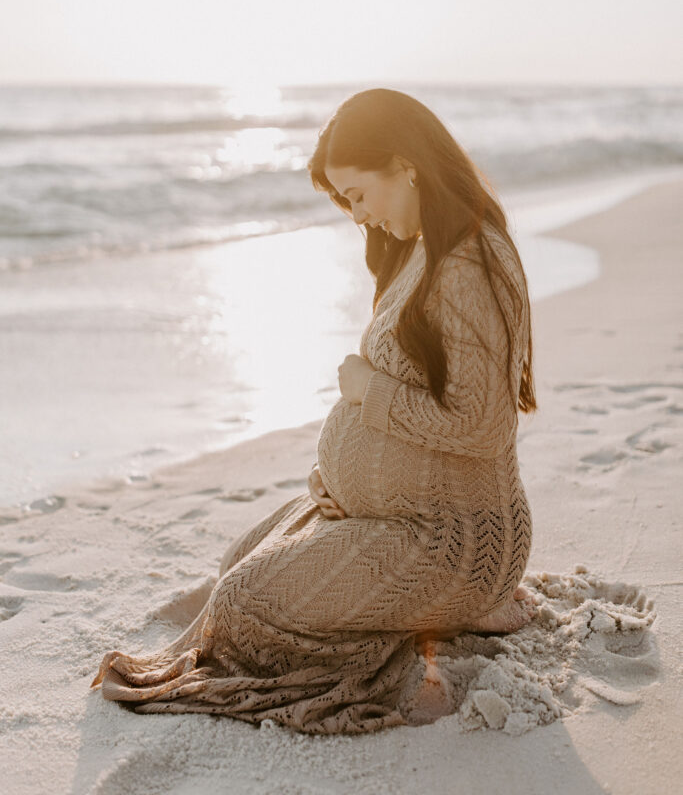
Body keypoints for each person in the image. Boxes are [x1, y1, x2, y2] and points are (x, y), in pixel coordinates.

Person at [90, 88, 536, 734]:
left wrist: (364, 391)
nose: (356, 215)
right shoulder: (423, 249)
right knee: (241, 561)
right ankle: (441, 608)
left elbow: (480, 425)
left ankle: (457, 605)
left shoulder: (468, 262)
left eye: (357, 194)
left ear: (405, 165)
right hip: (405, 518)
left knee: (246, 605)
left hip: (449, 542)